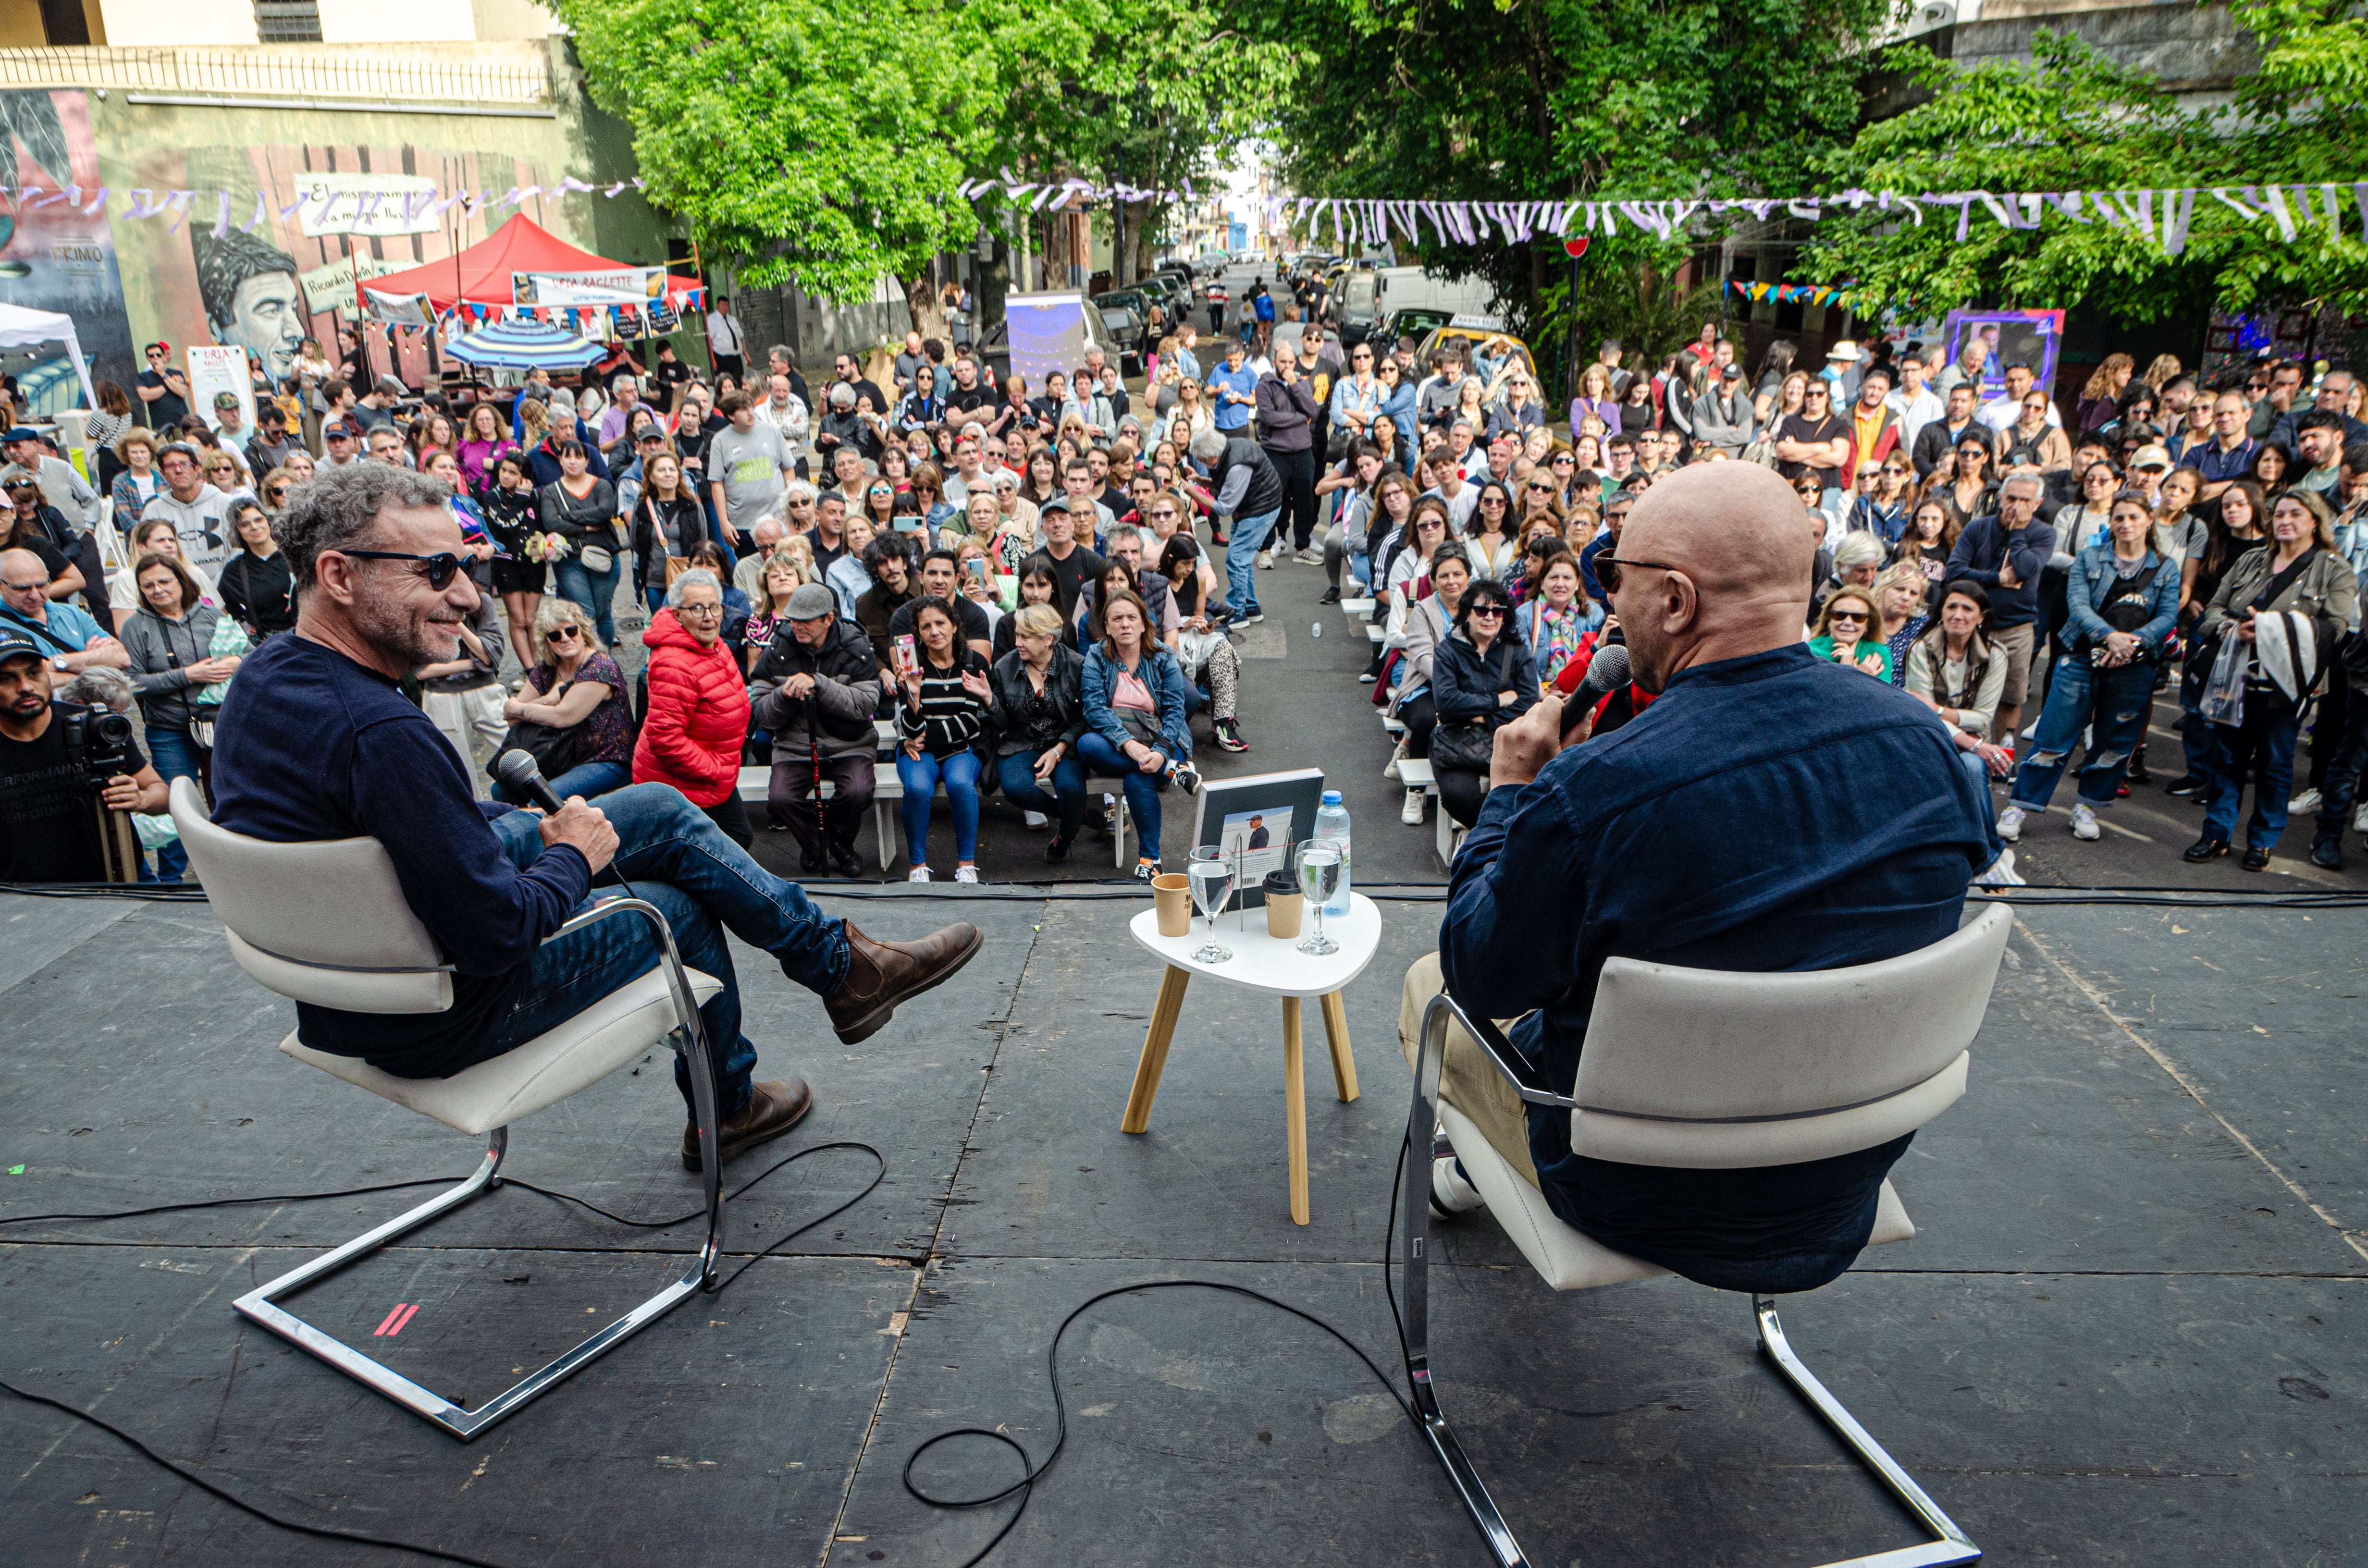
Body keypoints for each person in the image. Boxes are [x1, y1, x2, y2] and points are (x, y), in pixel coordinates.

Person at [208, 462, 981, 1170]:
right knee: (675, 910)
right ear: (338, 575)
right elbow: (498, 935)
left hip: (354, 986)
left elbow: (394, 829)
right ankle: (742, 1095)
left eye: (466, 567)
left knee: (650, 808)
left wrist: (508, 829)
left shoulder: (265, 677)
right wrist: (570, 855)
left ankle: (842, 968)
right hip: (440, 1009)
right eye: (437, 571)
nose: (470, 596)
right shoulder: (381, 734)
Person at [1416, 461, 1996, 1289]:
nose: (1611, 602)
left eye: (1618, 579)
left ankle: (1460, 1172)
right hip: (1837, 1172)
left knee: (1426, 990)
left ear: (1675, 599)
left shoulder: (1593, 793)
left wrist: (1511, 793)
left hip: (1632, 1193)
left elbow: (1481, 973)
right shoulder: (1927, 745)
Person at [1993, 491, 2179, 846]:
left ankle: (2087, 807)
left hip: (2134, 665)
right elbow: (2076, 604)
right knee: (2054, 733)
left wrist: (2131, 643)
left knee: (2114, 740)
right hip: (2080, 656)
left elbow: (2169, 615)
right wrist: (2109, 636)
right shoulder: (2090, 559)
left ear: (2149, 521)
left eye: (2133, 517)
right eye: (2119, 518)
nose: (2125, 525)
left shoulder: (2165, 567)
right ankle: (2020, 806)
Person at [2187, 488, 2357, 869]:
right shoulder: (2251, 560)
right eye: (2279, 514)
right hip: (2235, 674)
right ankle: (2216, 834)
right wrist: (2234, 629)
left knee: (2275, 763)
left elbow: (2335, 628)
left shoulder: (2334, 568)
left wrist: (2270, 628)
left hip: (2288, 684)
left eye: (2295, 514)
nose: (2285, 521)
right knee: (2226, 759)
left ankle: (2262, 842)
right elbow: (2213, 609)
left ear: (2315, 521)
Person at [0, 627, 168, 880]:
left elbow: (162, 794)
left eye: (34, 673)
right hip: (20, 903)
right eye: (6, 679)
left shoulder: (96, 727)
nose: (25, 687)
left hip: (109, 890)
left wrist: (141, 799)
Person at [123, 550, 242, 882]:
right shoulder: (136, 627)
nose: (158, 590)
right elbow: (134, 682)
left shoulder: (210, 615)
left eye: (164, 581)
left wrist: (234, 662)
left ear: (181, 580)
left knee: (225, 795)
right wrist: (188, 675)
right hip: (169, 728)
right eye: (148, 586)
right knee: (174, 803)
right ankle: (172, 879)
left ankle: (233, 869)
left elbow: (247, 654)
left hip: (217, 722)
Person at [751, 582, 880, 877]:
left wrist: (821, 684)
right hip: (795, 746)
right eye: (794, 618)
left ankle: (820, 846)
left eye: (806, 620)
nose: (797, 626)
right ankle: (830, 846)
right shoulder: (779, 647)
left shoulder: (855, 645)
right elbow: (763, 714)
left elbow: (866, 705)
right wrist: (784, 695)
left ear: (829, 619)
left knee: (858, 792)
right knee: (781, 799)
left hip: (850, 743)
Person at [1081, 588, 1194, 880]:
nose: (1125, 624)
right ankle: (1173, 771)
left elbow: (1175, 711)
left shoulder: (1163, 656)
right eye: (1116, 619)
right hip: (1119, 744)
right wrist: (1128, 744)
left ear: (1144, 623)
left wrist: (1161, 752)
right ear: (1107, 626)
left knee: (1136, 777)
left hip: (1165, 741)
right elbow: (1094, 708)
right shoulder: (1096, 656)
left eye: (1132, 617)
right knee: (1087, 744)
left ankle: (1150, 860)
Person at [634, 569, 753, 846]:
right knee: (725, 847)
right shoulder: (674, 664)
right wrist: (715, 769)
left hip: (712, 775)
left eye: (714, 607)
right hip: (685, 781)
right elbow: (665, 738)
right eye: (697, 608)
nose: (709, 616)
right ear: (677, 614)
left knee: (733, 844)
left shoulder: (710, 642)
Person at [1945, 470, 2055, 753]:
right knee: (1965, 691)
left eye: (2025, 500)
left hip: (2016, 628)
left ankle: (2004, 752)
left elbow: (2026, 568)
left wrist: (2018, 532)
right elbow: (1954, 572)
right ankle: (1969, 749)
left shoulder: (2043, 533)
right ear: (2001, 498)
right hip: (1974, 627)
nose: (2016, 506)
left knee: (2011, 695)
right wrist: (1997, 580)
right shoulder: (1978, 528)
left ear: (2038, 502)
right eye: (2011, 498)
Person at [893, 596, 992, 883]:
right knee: (917, 787)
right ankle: (917, 865)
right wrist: (914, 696)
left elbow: (971, 720)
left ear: (954, 625)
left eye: (940, 623)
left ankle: (966, 863)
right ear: (918, 632)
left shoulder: (973, 662)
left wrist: (927, 736)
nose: (934, 631)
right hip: (919, 750)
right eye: (926, 626)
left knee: (961, 784)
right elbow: (910, 728)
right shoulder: (910, 668)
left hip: (960, 748)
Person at [986, 601, 1093, 859]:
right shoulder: (1005, 667)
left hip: (1063, 743)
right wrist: (989, 700)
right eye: (1017, 635)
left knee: (1071, 789)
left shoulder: (1077, 666)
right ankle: (1075, 815)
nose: (1018, 642)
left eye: (1025, 636)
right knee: (1015, 788)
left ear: (1048, 639)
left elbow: (1085, 718)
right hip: (1021, 741)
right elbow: (999, 725)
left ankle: (1065, 837)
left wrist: (1059, 749)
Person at [1427, 578, 1536, 829]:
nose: (1490, 617)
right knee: (1458, 797)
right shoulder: (1448, 651)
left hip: (1507, 740)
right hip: (1457, 742)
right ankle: (1490, 837)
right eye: (1482, 610)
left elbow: (1529, 699)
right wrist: (1499, 700)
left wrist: (1487, 718)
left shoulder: (1515, 650)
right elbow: (1447, 702)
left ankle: (1496, 838)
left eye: (1497, 611)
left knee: (1525, 794)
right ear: (1466, 613)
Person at [1904, 580, 2016, 821]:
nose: (1958, 615)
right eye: (1951, 607)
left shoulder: (1994, 655)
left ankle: (1986, 844)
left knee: (1973, 767)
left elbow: (1983, 718)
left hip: (1973, 739)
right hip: (1930, 738)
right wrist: (1970, 740)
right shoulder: (1921, 649)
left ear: (1981, 618)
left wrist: (1939, 709)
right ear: (1941, 612)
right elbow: (1922, 715)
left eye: (1968, 609)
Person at [536, 440, 624, 649]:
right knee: (586, 614)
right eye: (568, 456)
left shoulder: (602, 485)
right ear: (560, 460)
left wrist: (566, 516)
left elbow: (604, 513)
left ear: (587, 460)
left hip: (604, 558)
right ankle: (591, 665)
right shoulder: (551, 492)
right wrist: (585, 527)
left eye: (578, 457)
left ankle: (606, 662)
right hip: (570, 561)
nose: (573, 462)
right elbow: (551, 523)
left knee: (603, 614)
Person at [0, 546, 126, 674]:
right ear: (1, 587)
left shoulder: (73, 614)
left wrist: (57, 662)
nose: (35, 595)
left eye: (41, 585)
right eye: (23, 588)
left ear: (48, 578)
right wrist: (91, 662)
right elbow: (27, 681)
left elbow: (122, 657)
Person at [218, 499, 296, 640]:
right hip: (266, 643)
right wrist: (243, 623)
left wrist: (302, 599)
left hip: (304, 636)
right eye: (245, 524)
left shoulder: (296, 555)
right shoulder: (235, 571)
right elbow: (227, 606)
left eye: (259, 520)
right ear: (238, 531)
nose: (254, 527)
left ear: (268, 521)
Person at [1809, 587, 1890, 680]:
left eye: (1858, 617)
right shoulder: (1810, 652)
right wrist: (1851, 673)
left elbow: (1884, 695)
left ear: (1868, 625)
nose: (1848, 622)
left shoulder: (1879, 653)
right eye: (1839, 616)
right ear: (1828, 620)